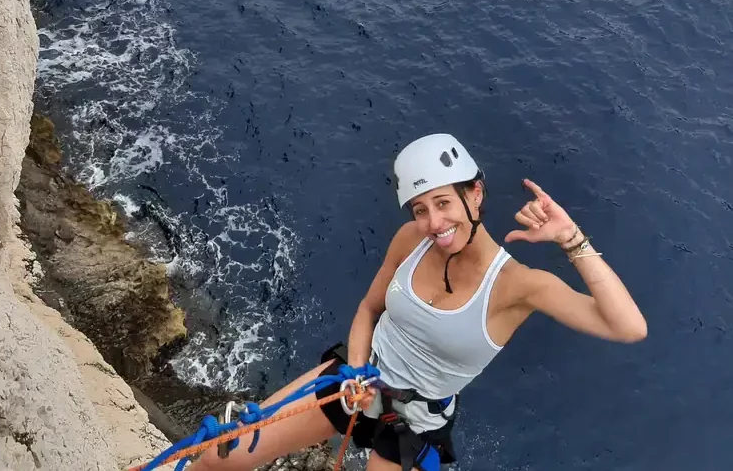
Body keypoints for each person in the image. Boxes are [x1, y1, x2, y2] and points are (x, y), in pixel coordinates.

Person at [188, 133, 647, 471]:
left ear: (476, 194)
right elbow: (369, 309)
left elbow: (628, 327)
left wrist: (570, 238)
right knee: (219, 458)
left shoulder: (518, 286)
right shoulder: (412, 239)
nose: (433, 222)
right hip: (357, 379)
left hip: (412, 422)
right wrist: (353, 370)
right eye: (421, 209)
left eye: (444, 203)